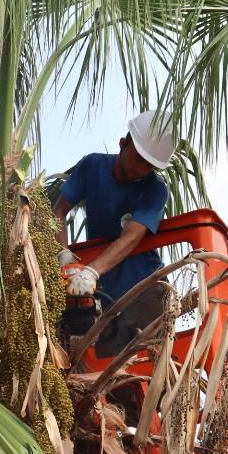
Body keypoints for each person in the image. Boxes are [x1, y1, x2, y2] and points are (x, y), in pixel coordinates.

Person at [53, 111, 176, 355]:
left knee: (154, 368)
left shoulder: (155, 190)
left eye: (149, 166)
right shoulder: (92, 166)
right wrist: (63, 254)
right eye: (139, 158)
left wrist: (90, 271)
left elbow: (131, 237)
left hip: (145, 290)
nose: (142, 169)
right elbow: (58, 211)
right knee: (108, 377)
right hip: (105, 295)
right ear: (123, 143)